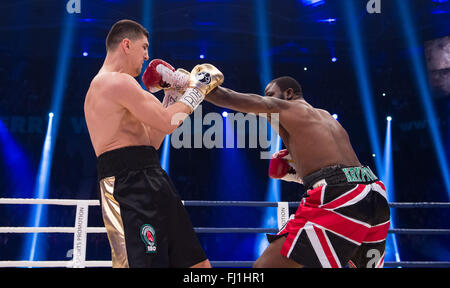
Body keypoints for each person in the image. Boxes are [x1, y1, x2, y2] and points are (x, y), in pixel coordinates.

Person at [205, 76, 391, 268]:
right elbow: (338, 167)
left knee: (264, 267)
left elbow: (227, 97)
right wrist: (300, 174)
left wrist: (192, 85)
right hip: (374, 192)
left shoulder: (287, 108)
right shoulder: (325, 116)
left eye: (270, 95)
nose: (267, 99)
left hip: (340, 195)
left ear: (288, 93)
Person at [84, 19, 223, 268]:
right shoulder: (114, 82)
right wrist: (198, 90)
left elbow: (154, 138)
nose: (147, 55)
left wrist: (171, 96)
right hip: (126, 185)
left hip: (151, 175)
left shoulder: (119, 86)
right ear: (126, 44)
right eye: (144, 47)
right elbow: (169, 123)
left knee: (197, 264)